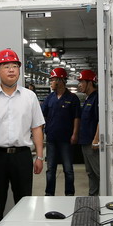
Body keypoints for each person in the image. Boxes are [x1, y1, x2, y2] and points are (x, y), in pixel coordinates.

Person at [0, 49, 45, 226]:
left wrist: (40, 156)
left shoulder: (29, 96)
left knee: (24, 202)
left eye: (15, 66)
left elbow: (37, 127)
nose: (11, 70)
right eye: (6, 66)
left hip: (22, 156)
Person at [41, 67, 80, 196]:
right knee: (50, 169)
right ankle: (49, 193)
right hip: (51, 139)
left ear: (60, 80)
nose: (51, 83)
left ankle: (69, 193)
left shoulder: (72, 98)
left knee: (68, 169)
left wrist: (75, 134)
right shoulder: (49, 98)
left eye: (52, 80)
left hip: (66, 139)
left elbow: (76, 118)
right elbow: (42, 115)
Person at [76, 69, 100, 196]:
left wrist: (96, 139)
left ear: (90, 83)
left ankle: (104, 198)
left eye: (81, 82)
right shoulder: (88, 98)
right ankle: (93, 197)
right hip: (85, 142)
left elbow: (100, 120)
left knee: (98, 172)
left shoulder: (96, 98)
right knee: (90, 173)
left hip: (92, 143)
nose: (79, 85)